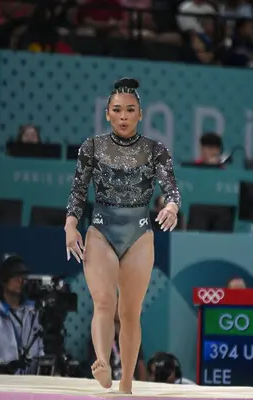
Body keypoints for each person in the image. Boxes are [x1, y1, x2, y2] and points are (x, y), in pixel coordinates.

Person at [65, 77, 181, 393]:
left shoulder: (156, 150)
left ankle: (127, 383)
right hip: (102, 230)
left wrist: (172, 204)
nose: (124, 116)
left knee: (129, 312)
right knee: (103, 302)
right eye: (117, 110)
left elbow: (172, 188)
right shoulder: (91, 147)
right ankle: (102, 362)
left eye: (130, 110)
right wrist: (70, 224)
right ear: (107, 113)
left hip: (139, 234)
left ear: (140, 114)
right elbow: (77, 192)